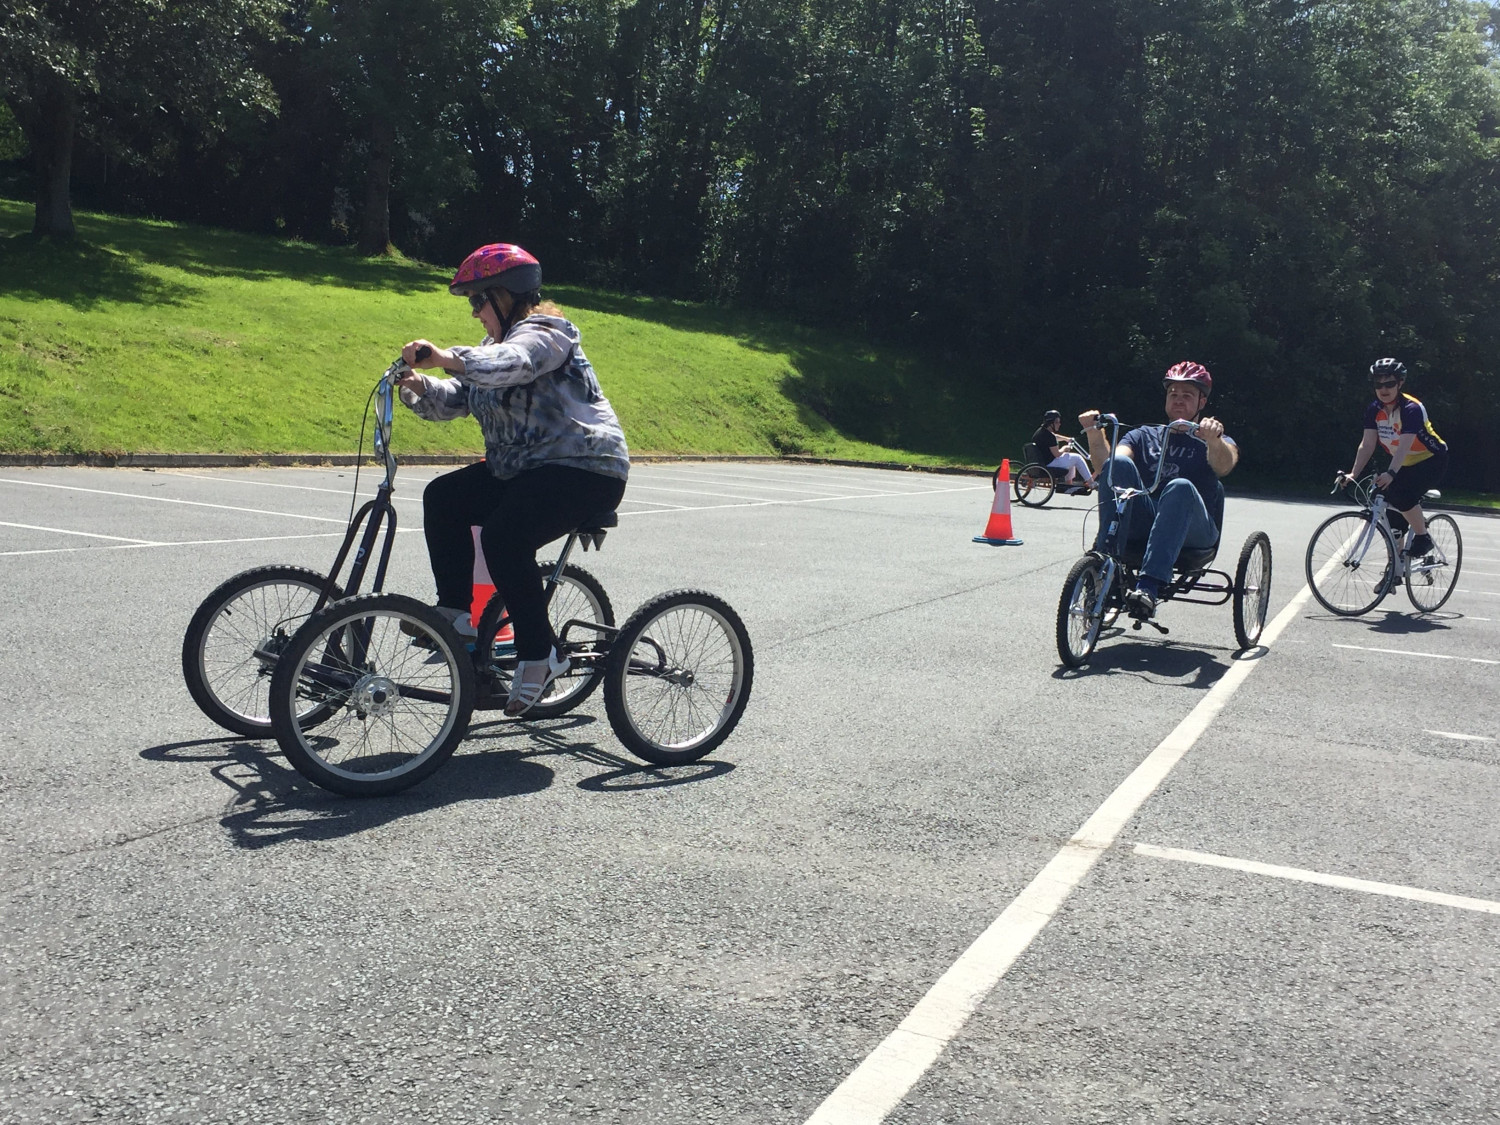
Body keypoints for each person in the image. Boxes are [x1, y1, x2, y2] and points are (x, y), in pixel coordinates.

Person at [395, 243, 630, 715]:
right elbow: (457, 398)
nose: (475, 313)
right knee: (444, 497)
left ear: (507, 296)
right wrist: (420, 387)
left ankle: (539, 655)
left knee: (504, 538)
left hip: (584, 468)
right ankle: (456, 614)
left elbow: (516, 363)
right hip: (523, 471)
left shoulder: (548, 332)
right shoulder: (488, 351)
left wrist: (446, 357)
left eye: (478, 301)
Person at [1078, 362, 1239, 620]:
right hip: (1147, 519)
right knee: (1117, 464)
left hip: (1194, 529)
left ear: (1202, 402)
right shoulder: (1145, 435)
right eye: (1173, 393)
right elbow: (1109, 468)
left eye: (1187, 395)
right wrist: (1094, 434)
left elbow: (1225, 465)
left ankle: (1149, 587)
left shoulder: (1214, 439)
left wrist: (1213, 440)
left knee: (1180, 486)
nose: (1178, 400)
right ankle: (1102, 565)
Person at [1341, 358, 1448, 557]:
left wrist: (1391, 472)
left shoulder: (1411, 409)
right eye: (1378, 384)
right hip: (1404, 462)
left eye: (1389, 383)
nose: (1384, 389)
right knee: (1386, 509)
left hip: (1431, 460)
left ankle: (1423, 537)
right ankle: (1395, 568)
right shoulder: (1374, 409)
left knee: (1404, 494)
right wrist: (1353, 474)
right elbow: (1367, 444)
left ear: (1400, 383)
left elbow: (1404, 444)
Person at [1030, 409, 1093, 492]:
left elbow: (1054, 436)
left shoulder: (1041, 432)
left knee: (1070, 458)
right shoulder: (1049, 436)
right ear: (1051, 423)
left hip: (1043, 462)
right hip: (1050, 464)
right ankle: (1091, 483)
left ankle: (1069, 485)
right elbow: (1057, 454)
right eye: (1057, 422)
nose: (1059, 424)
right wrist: (1064, 448)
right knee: (1077, 458)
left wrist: (1066, 439)